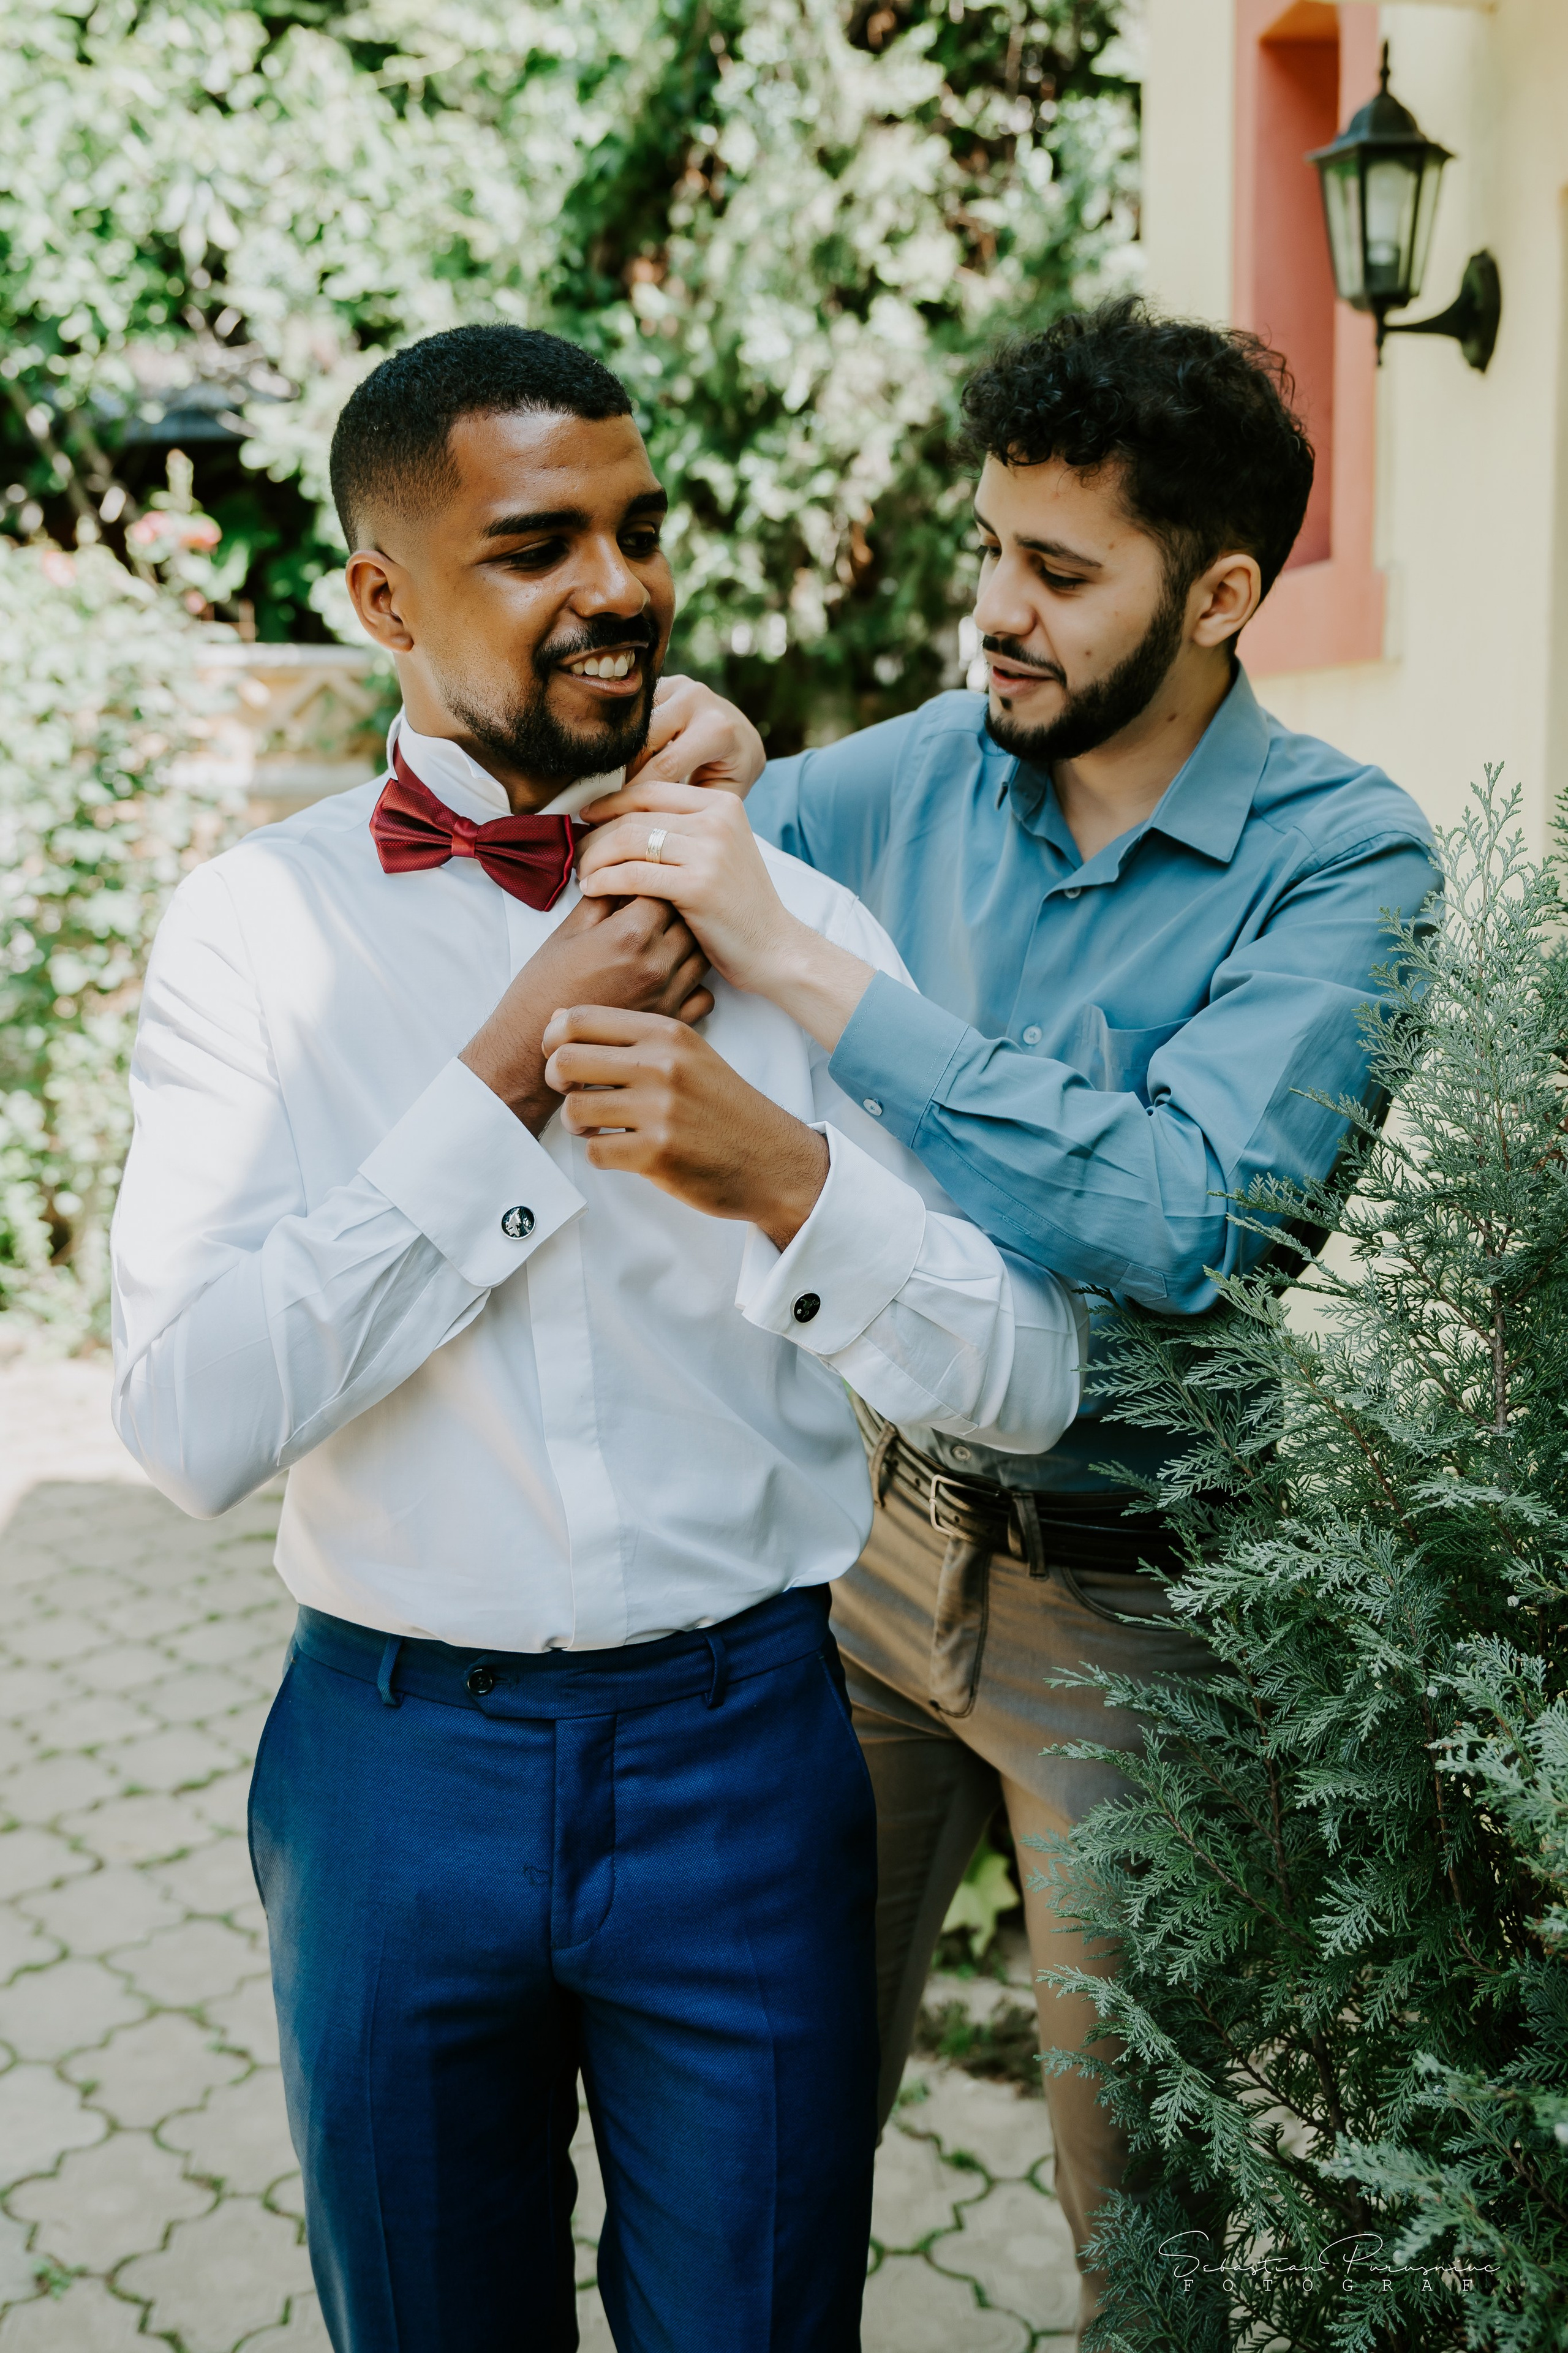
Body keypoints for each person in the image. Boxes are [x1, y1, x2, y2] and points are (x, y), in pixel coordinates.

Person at [108, 324, 1087, 2353]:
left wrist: (787, 1185)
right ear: (380, 595)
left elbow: (1030, 1375)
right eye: (539, 543)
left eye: (639, 532)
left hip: (747, 1750)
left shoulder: (786, 917)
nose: (621, 587)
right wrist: (514, 1069)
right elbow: (191, 1421)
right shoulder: (255, 934)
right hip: (391, 1775)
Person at [567, 296, 1437, 2338]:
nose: (997, 616)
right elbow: (700, 846)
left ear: (1223, 593)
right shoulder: (925, 774)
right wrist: (705, 754)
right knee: (762, 2141)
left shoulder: (1344, 862)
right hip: (863, 1547)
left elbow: (1200, 1217)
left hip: (1142, 1601)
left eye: (1060, 573)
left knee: (1148, 2220)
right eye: (988, 553)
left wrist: (824, 978)